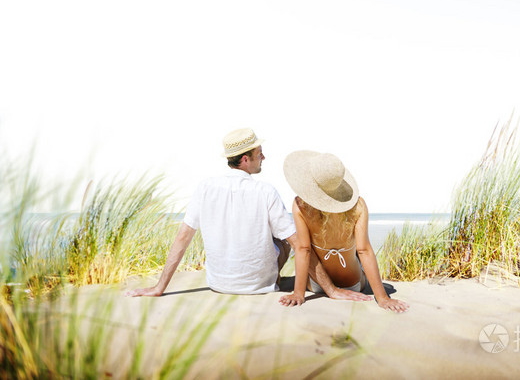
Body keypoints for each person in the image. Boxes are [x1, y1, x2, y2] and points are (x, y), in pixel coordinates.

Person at [126, 128, 295, 296]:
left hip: (218, 284)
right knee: (283, 239)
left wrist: (159, 288)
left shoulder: (205, 187)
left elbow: (183, 237)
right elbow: (296, 242)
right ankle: (272, 278)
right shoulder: (265, 190)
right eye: (259, 154)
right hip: (258, 286)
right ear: (245, 159)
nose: (263, 157)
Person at [278, 151, 409, 313]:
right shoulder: (358, 206)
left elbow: (303, 249)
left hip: (316, 285)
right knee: (356, 257)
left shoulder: (300, 205)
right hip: (353, 283)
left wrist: (298, 293)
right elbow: (364, 250)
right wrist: (382, 298)